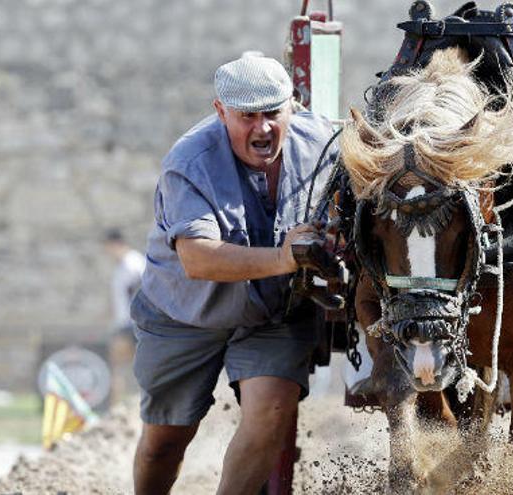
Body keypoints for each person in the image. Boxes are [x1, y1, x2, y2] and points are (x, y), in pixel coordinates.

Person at [129, 54, 337, 494]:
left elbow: (387, 160)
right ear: (220, 111)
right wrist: (287, 258)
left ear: (293, 106)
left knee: (272, 413)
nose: (262, 129)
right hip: (183, 313)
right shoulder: (189, 162)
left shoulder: (326, 143)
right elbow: (199, 259)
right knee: (164, 443)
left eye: (272, 114)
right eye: (247, 117)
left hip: (275, 313)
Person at [103, 228, 146, 404]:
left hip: (134, 322)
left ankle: (124, 407)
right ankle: (120, 409)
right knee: (119, 366)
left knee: (123, 365)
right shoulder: (123, 266)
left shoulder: (133, 263)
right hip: (125, 322)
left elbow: (144, 289)